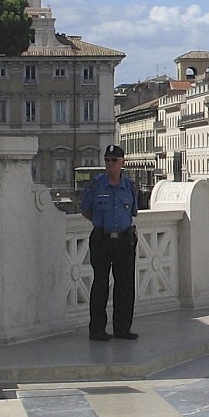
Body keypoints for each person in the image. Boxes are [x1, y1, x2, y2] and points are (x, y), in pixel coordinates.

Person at [80, 145, 140, 341]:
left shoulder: (129, 186)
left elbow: (132, 212)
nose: (110, 164)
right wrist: (102, 225)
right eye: (107, 160)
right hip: (102, 239)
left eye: (114, 160)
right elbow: (86, 210)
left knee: (125, 285)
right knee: (100, 285)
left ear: (122, 162)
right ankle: (97, 329)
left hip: (124, 239)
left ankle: (122, 328)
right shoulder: (97, 185)